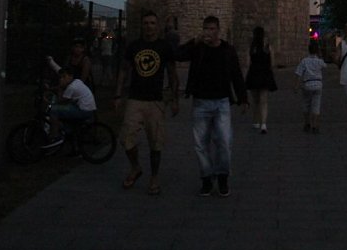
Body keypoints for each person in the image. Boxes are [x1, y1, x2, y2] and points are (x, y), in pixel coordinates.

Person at [178, 15, 248, 197]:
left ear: (218, 30)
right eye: (206, 29)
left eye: (211, 29)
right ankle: (207, 178)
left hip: (222, 102)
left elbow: (236, 74)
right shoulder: (197, 48)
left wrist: (243, 98)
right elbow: (178, 55)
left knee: (224, 142)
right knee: (200, 145)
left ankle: (222, 176)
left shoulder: (227, 50)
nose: (208, 32)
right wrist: (194, 41)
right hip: (200, 102)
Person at [114, 11, 179, 196]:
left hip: (155, 101)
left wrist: (174, 100)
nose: (149, 26)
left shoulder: (164, 47)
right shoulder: (134, 46)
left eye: (152, 23)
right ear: (142, 26)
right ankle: (135, 167)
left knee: (156, 143)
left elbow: (173, 75)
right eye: (146, 23)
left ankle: (154, 178)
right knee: (126, 138)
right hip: (135, 99)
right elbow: (124, 71)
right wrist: (118, 95)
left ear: (157, 26)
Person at [44, 66, 97, 148]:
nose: (61, 79)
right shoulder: (77, 81)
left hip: (82, 111)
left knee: (54, 110)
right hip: (88, 108)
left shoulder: (71, 87)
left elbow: (61, 100)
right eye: (60, 77)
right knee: (65, 111)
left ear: (70, 76)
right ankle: (67, 131)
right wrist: (51, 89)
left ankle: (55, 136)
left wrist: (49, 100)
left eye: (64, 77)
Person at [245, 26, 277, 133]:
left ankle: (256, 121)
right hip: (265, 74)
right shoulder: (268, 47)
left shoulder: (251, 47)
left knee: (256, 101)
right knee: (264, 101)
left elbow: (248, 63)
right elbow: (272, 63)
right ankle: (263, 124)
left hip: (254, 74)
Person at [294, 40, 326, 133]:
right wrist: (320, 56)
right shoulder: (319, 61)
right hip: (318, 84)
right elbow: (325, 65)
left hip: (307, 84)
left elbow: (298, 73)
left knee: (306, 104)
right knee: (316, 105)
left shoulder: (304, 61)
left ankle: (307, 123)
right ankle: (315, 125)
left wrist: (296, 86)